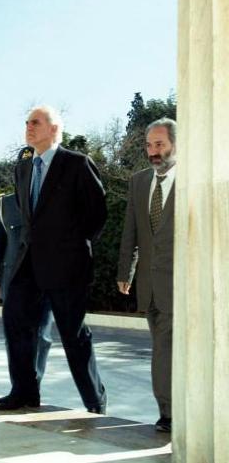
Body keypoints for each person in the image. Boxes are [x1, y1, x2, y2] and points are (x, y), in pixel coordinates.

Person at [0, 105, 107, 412]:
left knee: (73, 335)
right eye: (27, 122)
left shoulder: (77, 163)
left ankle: (95, 401)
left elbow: (96, 213)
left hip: (66, 267)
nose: (29, 127)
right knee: (15, 322)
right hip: (27, 264)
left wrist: (72, 247)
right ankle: (24, 393)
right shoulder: (23, 168)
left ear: (54, 129)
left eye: (36, 122)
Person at [117, 117, 176, 433]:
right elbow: (131, 230)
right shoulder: (139, 182)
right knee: (161, 347)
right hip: (150, 285)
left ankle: (169, 412)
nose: (153, 151)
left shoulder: (193, 180)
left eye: (160, 144)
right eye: (149, 145)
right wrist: (125, 269)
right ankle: (169, 411)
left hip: (182, 284)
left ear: (175, 145)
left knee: (165, 348)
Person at [0, 186, 54, 385]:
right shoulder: (6, 203)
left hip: (46, 281)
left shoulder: (55, 200)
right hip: (13, 281)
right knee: (15, 337)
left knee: (41, 336)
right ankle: (18, 388)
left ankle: (33, 387)